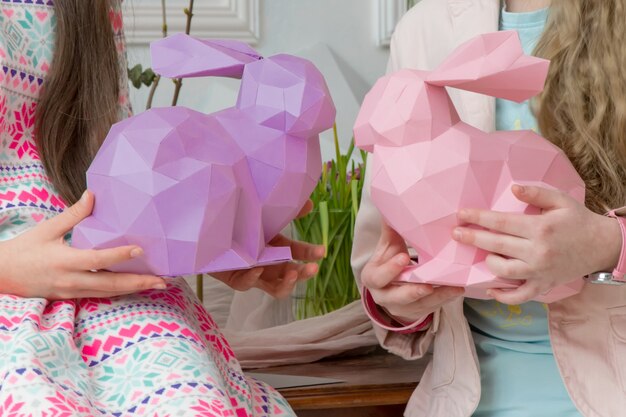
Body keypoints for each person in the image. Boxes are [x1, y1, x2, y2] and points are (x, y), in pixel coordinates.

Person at [0, 1, 323, 415]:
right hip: (17, 290)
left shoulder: (91, 7)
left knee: (187, 397)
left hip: (110, 273)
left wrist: (202, 243)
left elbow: (112, 159)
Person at [352, 0, 626, 416]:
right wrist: (398, 299)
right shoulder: (425, 27)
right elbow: (379, 262)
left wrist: (607, 245)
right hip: (465, 399)